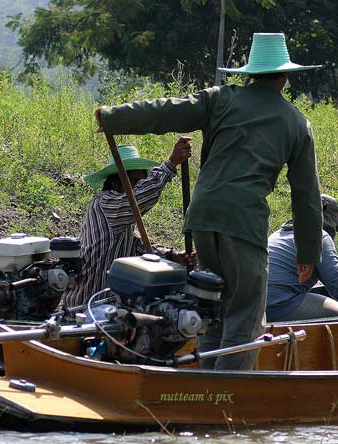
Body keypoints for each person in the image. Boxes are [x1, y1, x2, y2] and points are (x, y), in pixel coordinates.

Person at [95, 33, 324, 370]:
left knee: (212, 305)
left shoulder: (221, 99)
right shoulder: (296, 122)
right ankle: (222, 401)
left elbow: (168, 110)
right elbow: (307, 197)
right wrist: (308, 253)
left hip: (202, 216)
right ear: (285, 76)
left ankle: (204, 389)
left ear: (249, 73)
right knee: (245, 317)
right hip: (243, 222)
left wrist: (114, 116)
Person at [63, 140, 194, 308]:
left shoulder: (124, 220)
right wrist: (170, 164)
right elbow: (138, 199)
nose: (139, 186)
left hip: (110, 306)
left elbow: (139, 248)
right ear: (116, 181)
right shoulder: (106, 204)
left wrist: (172, 256)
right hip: (87, 305)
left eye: (142, 181)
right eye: (134, 181)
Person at [266, 194, 338, 322]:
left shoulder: (278, 234)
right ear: (328, 224)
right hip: (277, 305)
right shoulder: (320, 236)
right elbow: (336, 280)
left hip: (254, 305)